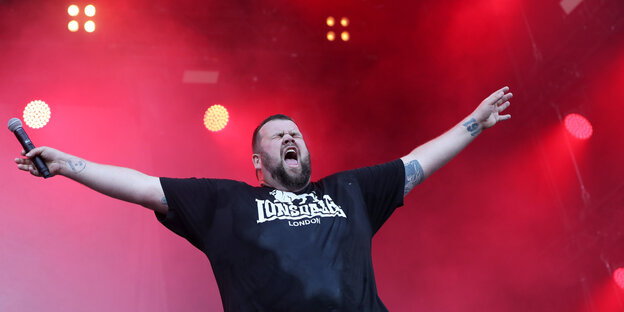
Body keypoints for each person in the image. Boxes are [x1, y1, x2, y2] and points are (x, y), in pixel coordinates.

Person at [14, 86, 513, 311]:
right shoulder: (226, 204)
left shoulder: (349, 191)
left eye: (296, 133)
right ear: (256, 161)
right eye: (277, 137)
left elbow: (415, 164)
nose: (291, 138)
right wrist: (68, 166)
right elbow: (143, 185)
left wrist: (473, 124)